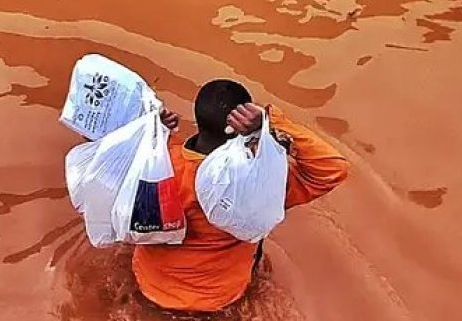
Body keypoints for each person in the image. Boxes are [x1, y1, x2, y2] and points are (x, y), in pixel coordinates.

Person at [136, 79, 350, 313]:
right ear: (240, 127)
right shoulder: (258, 184)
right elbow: (333, 168)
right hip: (221, 298)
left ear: (198, 118)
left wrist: (151, 130)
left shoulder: (155, 164)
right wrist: (271, 123)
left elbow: (100, 160)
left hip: (150, 287)